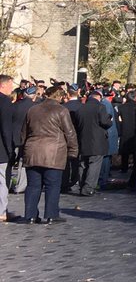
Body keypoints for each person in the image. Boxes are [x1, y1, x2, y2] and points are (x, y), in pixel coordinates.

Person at [15, 83, 78, 224]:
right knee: (52, 185)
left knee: (33, 185)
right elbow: (70, 133)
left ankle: (30, 215)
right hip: (54, 153)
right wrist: (73, 151)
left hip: (33, 151)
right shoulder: (61, 111)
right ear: (60, 97)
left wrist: (23, 149)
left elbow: (24, 132)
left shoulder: (33, 109)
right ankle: (51, 215)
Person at [74, 87, 112, 196]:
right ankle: (88, 187)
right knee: (94, 164)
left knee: (83, 164)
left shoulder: (80, 108)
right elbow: (106, 123)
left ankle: (82, 185)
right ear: (98, 97)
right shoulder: (100, 107)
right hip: (97, 142)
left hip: (83, 140)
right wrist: (109, 119)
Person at [0, 74, 17, 220]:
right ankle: (1, 211)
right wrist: (10, 149)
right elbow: (6, 128)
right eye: (10, 85)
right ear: (3, 85)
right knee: (2, 181)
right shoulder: (5, 101)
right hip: (1, 149)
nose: (12, 88)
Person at [116, 84, 136, 173]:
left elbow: (118, 120)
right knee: (135, 152)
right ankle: (135, 168)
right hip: (135, 131)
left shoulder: (121, 107)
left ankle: (124, 168)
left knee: (125, 152)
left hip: (125, 130)